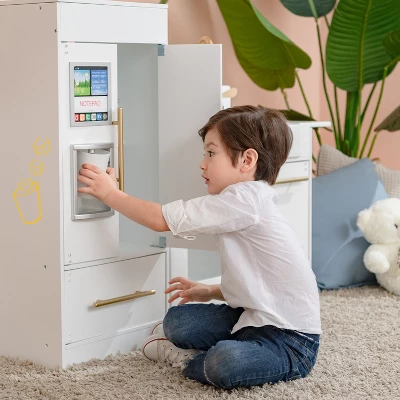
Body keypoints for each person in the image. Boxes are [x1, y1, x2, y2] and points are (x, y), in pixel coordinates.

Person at [78, 105, 321, 389]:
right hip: (251, 318)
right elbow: (262, 284)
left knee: (224, 362)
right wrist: (210, 291)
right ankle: (209, 345)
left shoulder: (245, 199)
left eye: (211, 153)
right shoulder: (245, 200)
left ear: (247, 160)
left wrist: (110, 193)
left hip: (291, 340)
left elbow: (160, 220)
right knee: (177, 322)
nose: (202, 164)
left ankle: (189, 360)